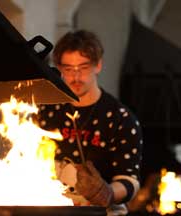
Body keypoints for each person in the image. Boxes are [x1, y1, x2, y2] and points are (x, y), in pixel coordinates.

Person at [38, 30, 143, 215]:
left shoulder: (120, 118)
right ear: (58, 68)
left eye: (83, 67)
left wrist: (107, 193)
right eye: (68, 69)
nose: (76, 77)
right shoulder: (47, 112)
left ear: (98, 65)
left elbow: (130, 181)